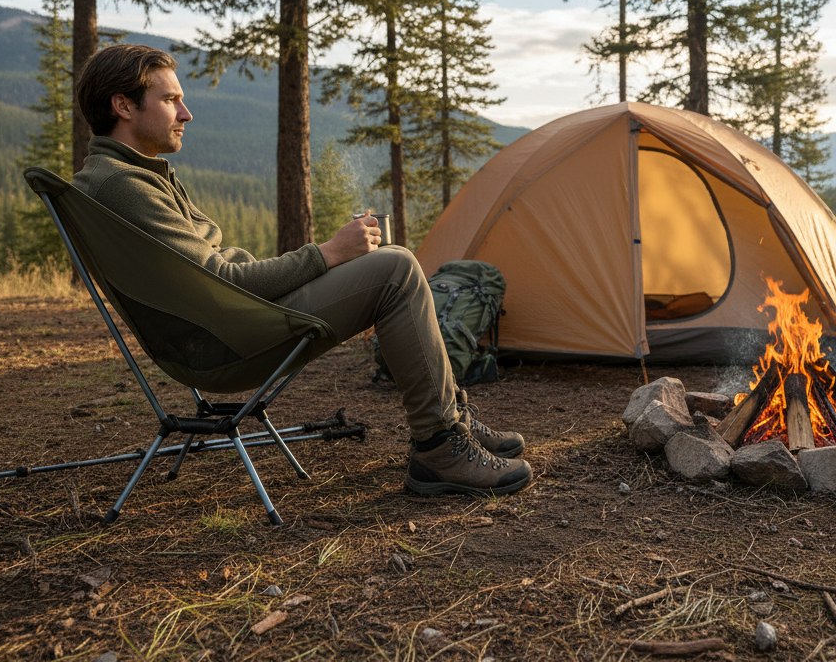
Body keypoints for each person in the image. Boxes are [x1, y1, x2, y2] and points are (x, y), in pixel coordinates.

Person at [70, 43, 531, 496]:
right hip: (225, 342)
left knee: (387, 263)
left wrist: (327, 258)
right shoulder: (124, 185)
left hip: (227, 325)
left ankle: (452, 422)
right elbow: (221, 280)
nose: (186, 114)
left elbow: (212, 274)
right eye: (171, 100)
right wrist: (327, 253)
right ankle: (439, 448)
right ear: (123, 105)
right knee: (395, 270)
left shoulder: (126, 173)